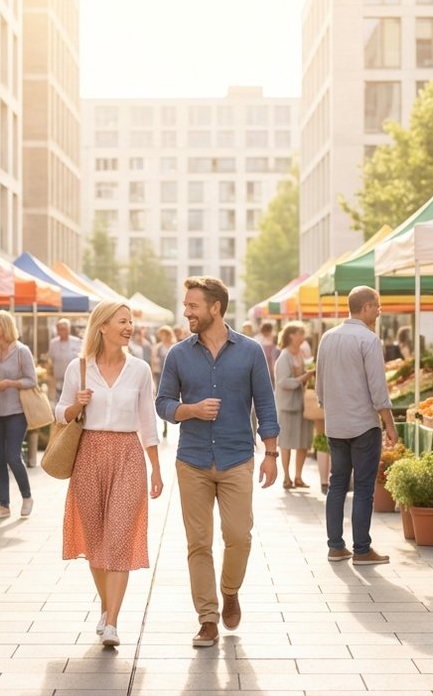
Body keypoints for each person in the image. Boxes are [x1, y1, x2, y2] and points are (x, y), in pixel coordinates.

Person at [157, 276, 280, 648]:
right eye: (186, 305)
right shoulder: (178, 354)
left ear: (215, 308)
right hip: (192, 459)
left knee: (239, 535)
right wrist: (189, 409)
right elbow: (161, 403)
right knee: (198, 543)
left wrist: (271, 454)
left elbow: (266, 404)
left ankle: (230, 591)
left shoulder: (250, 351)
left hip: (237, 457)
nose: (186, 311)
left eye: (193, 305)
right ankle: (207, 618)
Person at [55, 300, 163, 648]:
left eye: (131, 322)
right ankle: (106, 607)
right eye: (123, 321)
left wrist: (156, 468)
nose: (130, 327)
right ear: (102, 327)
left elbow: (148, 420)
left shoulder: (141, 370)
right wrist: (77, 405)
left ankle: (112, 621)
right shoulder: (79, 367)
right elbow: (60, 412)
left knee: (118, 538)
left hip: (128, 455)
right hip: (89, 455)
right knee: (96, 541)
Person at [315, 286, 397, 566]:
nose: (379, 311)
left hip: (335, 424)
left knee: (337, 484)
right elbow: (378, 390)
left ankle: (335, 547)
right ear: (365, 307)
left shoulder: (327, 337)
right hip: (363, 425)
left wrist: (332, 411)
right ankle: (362, 549)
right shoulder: (369, 340)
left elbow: (320, 385)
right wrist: (390, 425)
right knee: (363, 488)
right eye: (377, 306)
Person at [0, 310, 36, 520]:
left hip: (15, 412)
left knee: (12, 455)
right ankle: (4, 505)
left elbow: (32, 380)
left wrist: (11, 383)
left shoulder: (22, 351)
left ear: (5, 326)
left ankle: (27, 496)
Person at [273, 321, 314, 490]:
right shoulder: (284, 356)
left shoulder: (302, 354)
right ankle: (286, 477)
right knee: (287, 442)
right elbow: (283, 382)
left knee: (303, 442)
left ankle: (298, 476)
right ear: (290, 336)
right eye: (299, 333)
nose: (302, 337)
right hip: (288, 406)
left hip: (303, 405)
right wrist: (303, 378)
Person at [48, 318, 81, 399]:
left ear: (68, 329)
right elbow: (50, 360)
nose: (61, 331)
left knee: (72, 399)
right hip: (59, 378)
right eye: (59, 329)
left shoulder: (77, 341)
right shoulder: (53, 343)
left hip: (74, 378)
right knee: (59, 399)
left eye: (64, 329)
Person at [152, 326, 175, 439]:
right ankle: (165, 425)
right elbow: (153, 362)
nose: (160, 336)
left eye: (162, 334)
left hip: (173, 376)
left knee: (172, 399)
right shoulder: (158, 347)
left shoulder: (173, 346)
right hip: (160, 375)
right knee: (162, 399)